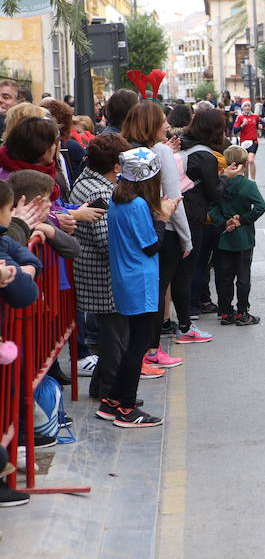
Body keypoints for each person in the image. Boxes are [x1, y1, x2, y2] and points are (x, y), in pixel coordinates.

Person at [97, 146, 180, 427]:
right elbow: (152, 245)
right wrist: (164, 217)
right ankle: (127, 408)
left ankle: (113, 400)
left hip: (124, 276)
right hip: (139, 279)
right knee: (139, 343)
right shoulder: (138, 205)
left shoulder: (118, 200)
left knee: (135, 340)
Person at [121, 100, 193, 368]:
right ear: (151, 124)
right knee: (157, 292)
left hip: (138, 227)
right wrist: (187, 239)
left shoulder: (128, 148)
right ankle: (151, 350)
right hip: (166, 229)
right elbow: (175, 198)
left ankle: (144, 351)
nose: (167, 124)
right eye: (162, 120)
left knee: (147, 294)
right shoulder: (161, 151)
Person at [70, 133, 135, 399]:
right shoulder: (99, 190)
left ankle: (101, 387)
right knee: (115, 338)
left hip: (91, 270)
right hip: (103, 274)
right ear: (116, 166)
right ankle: (112, 392)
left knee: (113, 336)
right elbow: (105, 239)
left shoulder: (87, 180)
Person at [178, 108, 230, 343]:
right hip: (194, 214)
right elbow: (215, 192)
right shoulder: (205, 156)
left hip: (174, 211)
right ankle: (186, 320)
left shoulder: (180, 144)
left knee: (179, 270)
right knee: (189, 267)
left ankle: (182, 317)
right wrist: (226, 176)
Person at [210, 146, 265, 325]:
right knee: (243, 277)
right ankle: (242, 312)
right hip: (244, 237)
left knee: (224, 276)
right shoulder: (248, 185)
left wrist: (224, 222)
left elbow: (212, 208)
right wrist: (243, 219)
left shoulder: (219, 184)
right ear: (243, 164)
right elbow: (260, 206)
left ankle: (225, 312)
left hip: (223, 236)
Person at [232, 101, 261, 180]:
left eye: (249, 106)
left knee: (251, 160)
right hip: (244, 142)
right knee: (245, 163)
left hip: (253, 141)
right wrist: (242, 125)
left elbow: (260, 125)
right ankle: (246, 180)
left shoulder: (255, 116)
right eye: (245, 106)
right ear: (243, 108)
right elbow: (235, 131)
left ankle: (253, 181)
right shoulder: (240, 117)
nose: (247, 107)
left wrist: (261, 126)